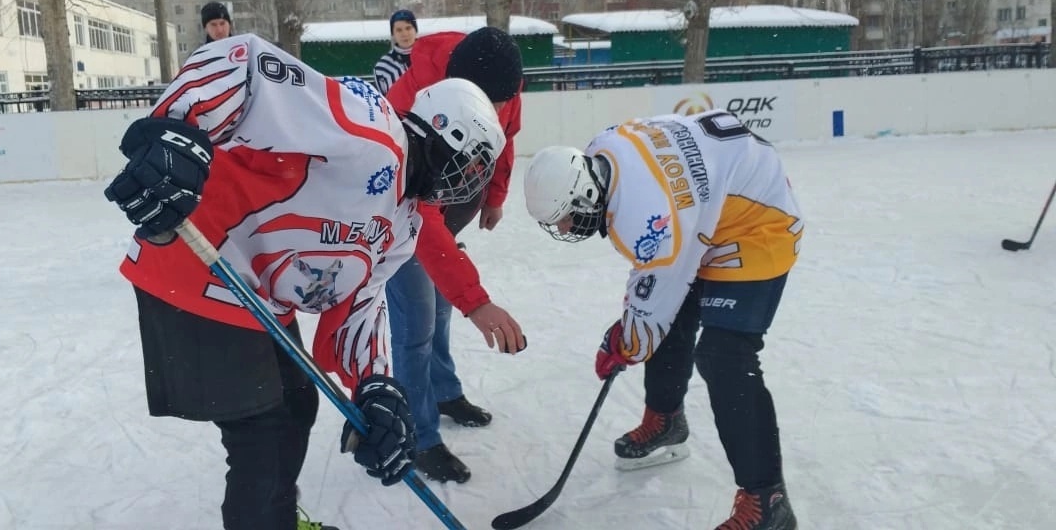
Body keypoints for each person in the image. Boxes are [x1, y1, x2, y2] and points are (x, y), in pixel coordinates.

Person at [103, 33, 509, 530]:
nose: (471, 181)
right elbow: (247, 64)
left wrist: (377, 385)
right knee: (263, 432)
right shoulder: (370, 128)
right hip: (194, 263)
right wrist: (173, 132)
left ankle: (277, 520)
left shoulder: (405, 223)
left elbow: (361, 303)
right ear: (447, 139)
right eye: (471, 165)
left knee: (296, 404)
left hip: (254, 296)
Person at [523, 109, 802, 530]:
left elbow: (653, 299)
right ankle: (666, 420)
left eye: (564, 216)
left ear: (584, 195)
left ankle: (768, 500)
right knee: (671, 313)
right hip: (707, 207)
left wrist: (626, 343)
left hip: (757, 221)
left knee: (724, 356)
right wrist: (632, 329)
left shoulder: (643, 213)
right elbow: (658, 286)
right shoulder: (603, 151)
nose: (564, 226)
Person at [383, 26, 527, 483]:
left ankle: (444, 393)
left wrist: (496, 195)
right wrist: (477, 301)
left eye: (506, 101)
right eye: (493, 104)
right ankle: (418, 435)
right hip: (405, 210)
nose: (502, 110)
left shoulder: (501, 79)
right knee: (416, 324)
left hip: (454, 200)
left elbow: (508, 136)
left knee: (439, 306)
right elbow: (419, 214)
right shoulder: (408, 105)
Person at [374, 9, 418, 94]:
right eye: (399, 30)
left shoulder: (431, 57)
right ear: (393, 34)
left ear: (415, 30)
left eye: (408, 28)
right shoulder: (382, 67)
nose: (404, 34)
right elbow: (383, 102)